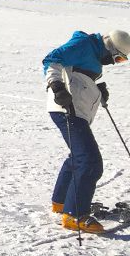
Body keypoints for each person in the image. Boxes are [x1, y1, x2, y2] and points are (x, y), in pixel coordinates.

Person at [43, 29, 130, 234]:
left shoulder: (93, 54)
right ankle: (75, 215)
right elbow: (51, 59)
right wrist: (57, 87)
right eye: (117, 58)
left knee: (78, 157)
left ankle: (62, 202)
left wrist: (98, 91)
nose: (114, 62)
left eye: (120, 61)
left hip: (77, 110)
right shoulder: (85, 45)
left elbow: (78, 77)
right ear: (110, 47)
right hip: (66, 108)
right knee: (90, 161)